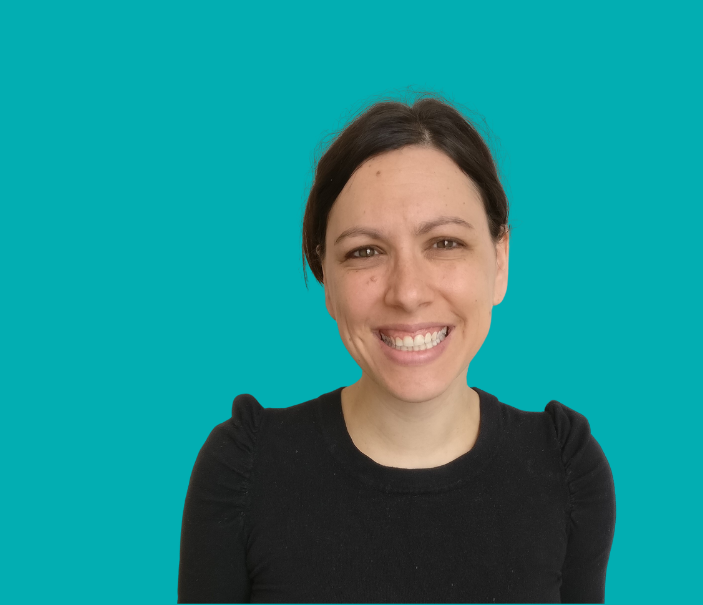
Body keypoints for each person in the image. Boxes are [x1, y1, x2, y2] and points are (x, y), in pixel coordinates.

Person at [177, 95, 616, 604]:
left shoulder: (564, 469)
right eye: (365, 252)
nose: (407, 292)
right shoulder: (243, 472)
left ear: (500, 261)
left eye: (445, 242)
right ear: (327, 282)